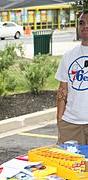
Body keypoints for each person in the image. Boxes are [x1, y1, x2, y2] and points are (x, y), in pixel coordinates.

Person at [56, 11, 88, 145]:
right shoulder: (69, 56)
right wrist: (60, 119)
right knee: (68, 165)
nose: (85, 26)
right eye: (81, 23)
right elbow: (63, 88)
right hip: (70, 124)